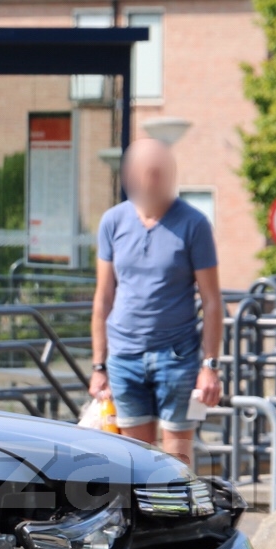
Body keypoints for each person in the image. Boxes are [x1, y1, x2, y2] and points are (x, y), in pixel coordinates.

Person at [88, 138, 223, 467]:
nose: (154, 181)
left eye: (161, 173)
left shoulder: (194, 224)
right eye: (147, 173)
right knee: (135, 462)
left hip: (176, 356)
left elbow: (212, 300)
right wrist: (98, 365)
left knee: (176, 461)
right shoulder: (113, 222)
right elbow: (103, 296)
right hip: (124, 357)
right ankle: (141, 520)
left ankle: (179, 518)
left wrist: (210, 367)